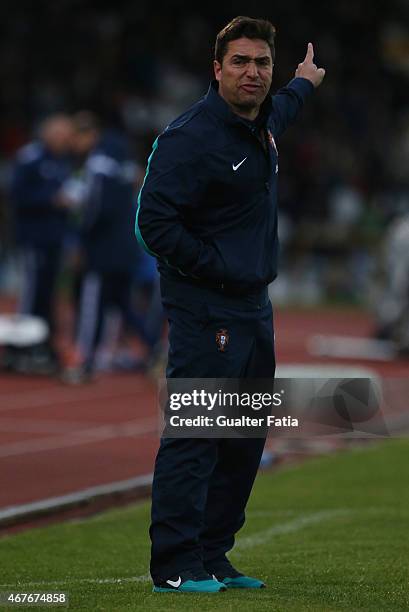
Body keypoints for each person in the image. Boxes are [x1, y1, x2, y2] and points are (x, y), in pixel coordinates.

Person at [136, 16, 325, 594]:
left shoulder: (263, 119)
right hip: (206, 308)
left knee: (243, 439)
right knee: (197, 435)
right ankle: (174, 566)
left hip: (253, 307)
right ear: (216, 70)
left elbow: (285, 106)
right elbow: (153, 224)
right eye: (240, 62)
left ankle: (214, 556)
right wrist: (219, 269)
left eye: (262, 63)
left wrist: (304, 82)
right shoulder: (189, 137)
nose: (253, 73)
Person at [62, 112, 159, 383]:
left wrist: (81, 238)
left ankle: (84, 361)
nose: (73, 144)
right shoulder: (122, 161)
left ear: (89, 135)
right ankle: (155, 348)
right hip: (126, 246)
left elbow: (95, 208)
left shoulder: (97, 163)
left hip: (103, 249)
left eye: (76, 137)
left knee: (93, 304)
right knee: (123, 304)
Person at [9, 114, 74, 373]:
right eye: (61, 135)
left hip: (54, 240)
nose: (65, 140)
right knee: (31, 294)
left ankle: (41, 347)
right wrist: (50, 199)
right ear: (48, 133)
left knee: (47, 295)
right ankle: (19, 349)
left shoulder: (61, 161)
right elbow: (16, 195)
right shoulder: (30, 158)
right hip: (33, 240)